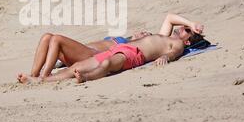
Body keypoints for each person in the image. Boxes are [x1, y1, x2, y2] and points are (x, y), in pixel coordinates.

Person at [17, 14, 205, 84]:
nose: (183, 28)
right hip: (123, 47)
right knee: (76, 67)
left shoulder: (177, 44)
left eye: (187, 30)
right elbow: (170, 17)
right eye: (184, 26)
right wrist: (191, 22)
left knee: (105, 63)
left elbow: (173, 53)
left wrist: (168, 58)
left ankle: (84, 78)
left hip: (133, 54)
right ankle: (42, 79)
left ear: (188, 41)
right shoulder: (164, 35)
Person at [23, 30, 151, 79]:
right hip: (80, 52)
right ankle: (34, 74)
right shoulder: (122, 37)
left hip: (91, 56)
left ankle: (45, 76)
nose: (144, 33)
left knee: (56, 39)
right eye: (144, 32)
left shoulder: (132, 46)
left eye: (147, 34)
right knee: (47, 37)